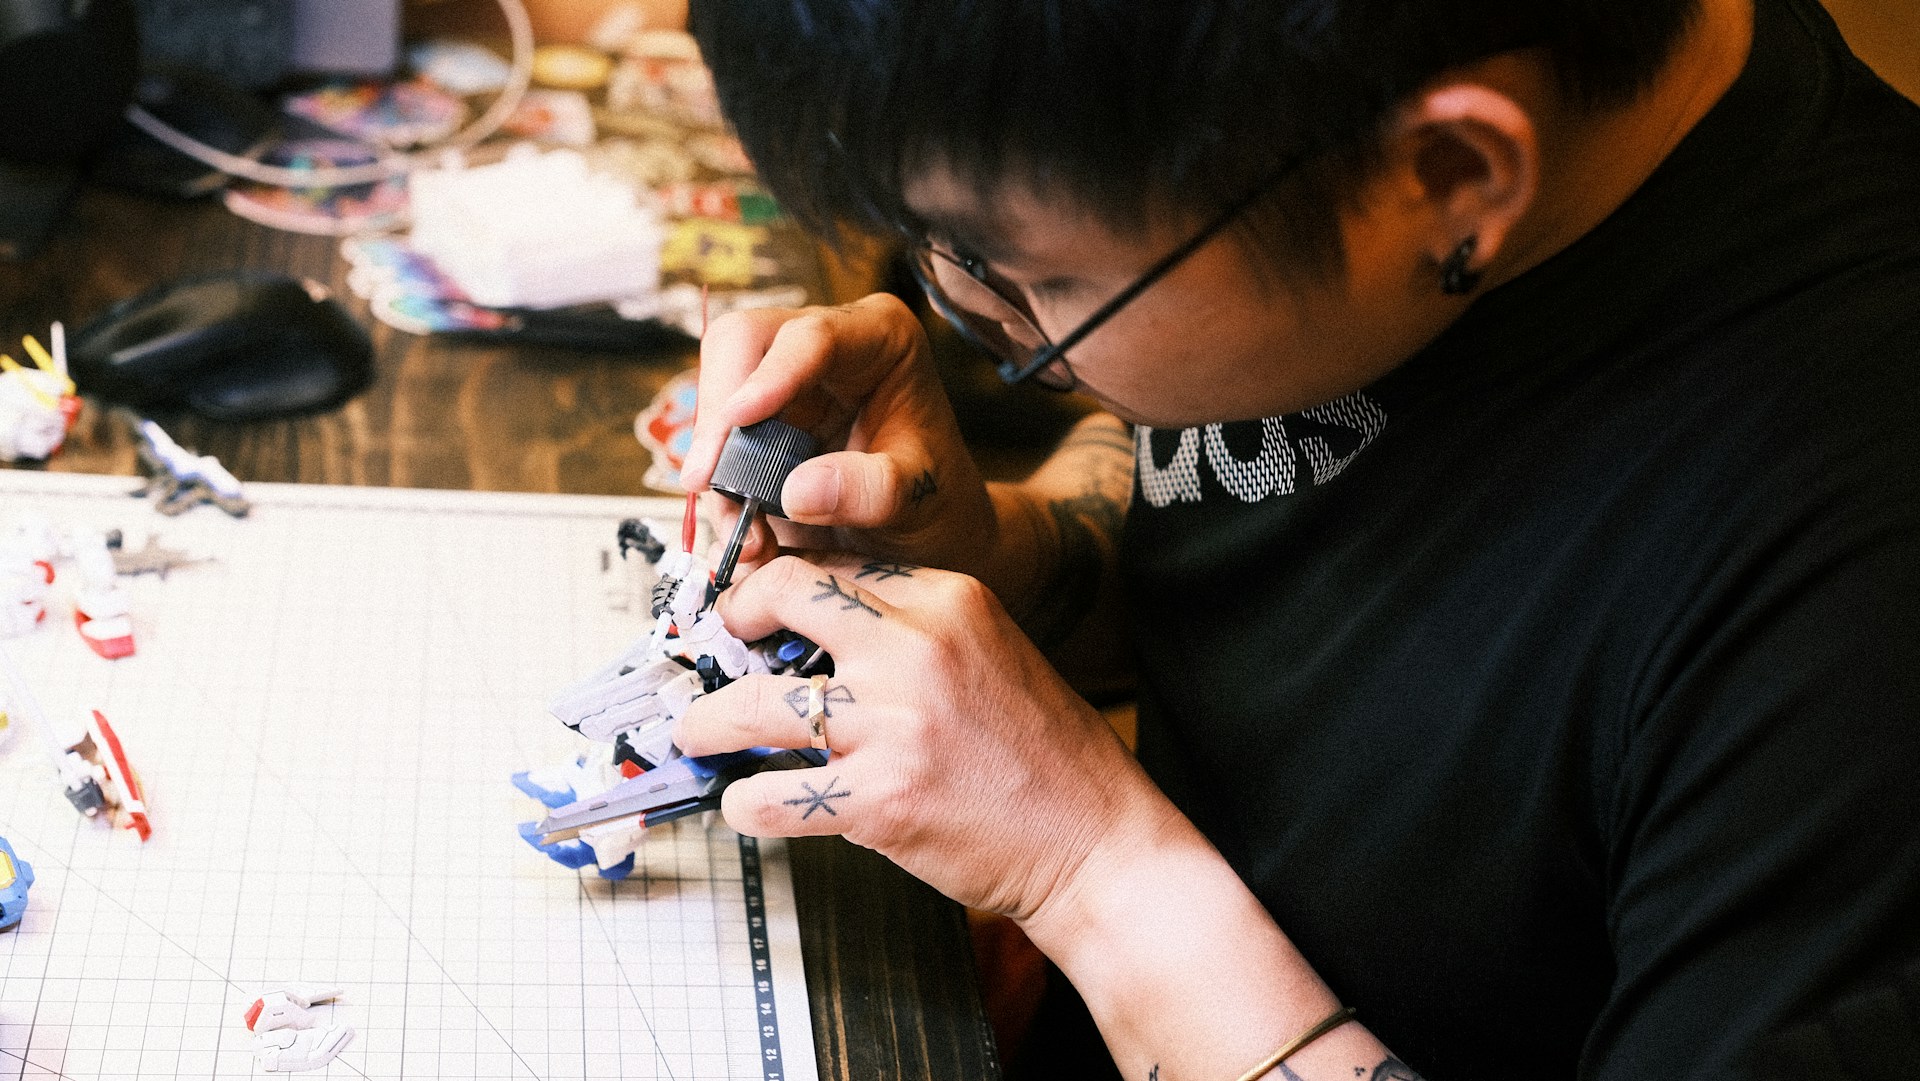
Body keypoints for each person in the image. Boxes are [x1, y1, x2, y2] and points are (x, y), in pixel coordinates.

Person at [668, 0, 1920, 1077]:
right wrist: (1009, 557)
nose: (971, 312)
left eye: (1025, 277)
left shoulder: (1846, 628)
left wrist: (1091, 875)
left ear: (1451, 176)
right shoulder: (1342, 137)